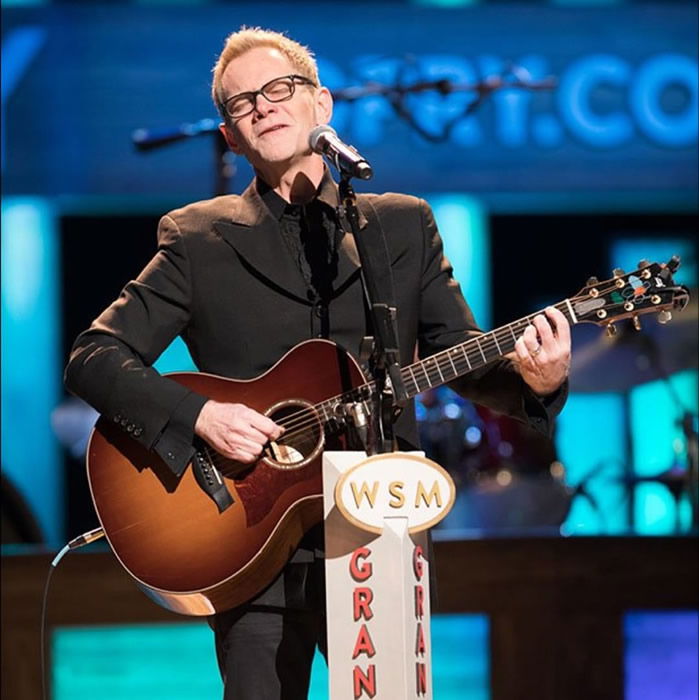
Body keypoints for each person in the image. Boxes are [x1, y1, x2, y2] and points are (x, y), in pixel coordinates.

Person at [64, 26, 571, 699]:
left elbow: (455, 353)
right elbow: (94, 357)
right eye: (243, 103)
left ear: (322, 105)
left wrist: (536, 382)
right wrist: (201, 415)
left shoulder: (400, 224)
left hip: (378, 532)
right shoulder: (198, 238)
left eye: (280, 89)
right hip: (242, 532)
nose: (264, 106)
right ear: (230, 137)